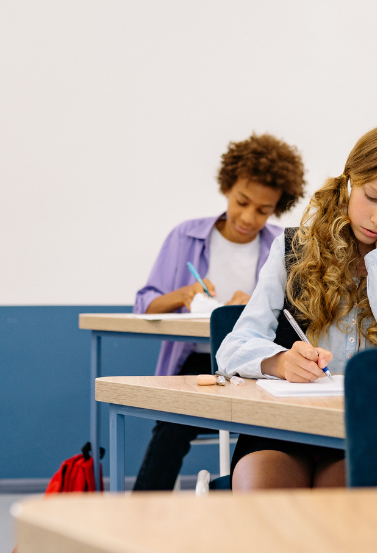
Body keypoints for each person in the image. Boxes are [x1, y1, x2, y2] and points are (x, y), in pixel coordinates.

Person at [218, 121, 377, 491]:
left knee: (341, 500)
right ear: (349, 181)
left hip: (369, 430)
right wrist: (280, 362)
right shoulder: (294, 249)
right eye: (372, 198)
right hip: (283, 427)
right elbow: (233, 347)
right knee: (266, 496)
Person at [132, 132, 306, 491]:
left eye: (263, 210)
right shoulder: (185, 237)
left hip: (258, 366)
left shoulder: (283, 245)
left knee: (276, 430)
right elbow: (144, 304)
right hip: (196, 362)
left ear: (276, 207)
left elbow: (290, 317)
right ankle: (142, 513)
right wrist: (184, 294)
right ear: (227, 187)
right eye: (242, 201)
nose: (248, 217)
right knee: (172, 426)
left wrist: (255, 303)